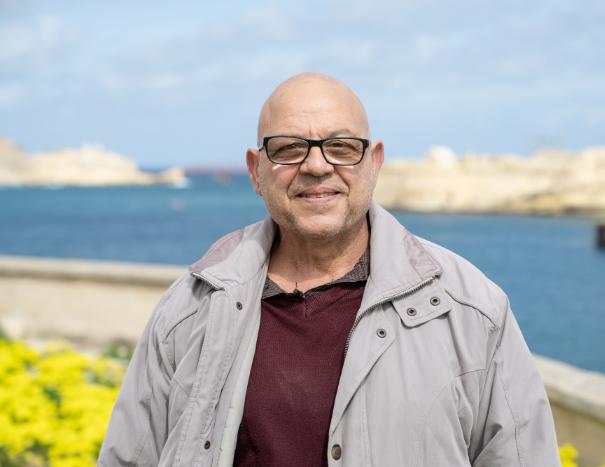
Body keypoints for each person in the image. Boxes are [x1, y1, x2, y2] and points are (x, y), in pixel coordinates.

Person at [99, 73, 560, 467]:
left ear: (374, 163)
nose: (317, 166)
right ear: (256, 171)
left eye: (341, 146)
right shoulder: (190, 308)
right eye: (289, 148)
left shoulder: (471, 311)